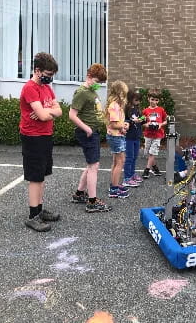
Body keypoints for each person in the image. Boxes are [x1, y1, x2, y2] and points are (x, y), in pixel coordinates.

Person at [19, 52, 62, 232]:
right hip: (32, 137)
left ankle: (40, 209)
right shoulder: (30, 88)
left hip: (45, 135)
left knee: (42, 175)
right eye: (48, 75)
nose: (49, 79)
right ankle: (33, 216)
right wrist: (48, 110)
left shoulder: (47, 89)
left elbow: (59, 111)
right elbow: (45, 115)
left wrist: (47, 110)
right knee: (35, 178)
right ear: (37, 71)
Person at [69, 63, 112, 212]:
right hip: (88, 133)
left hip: (93, 132)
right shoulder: (82, 92)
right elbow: (72, 115)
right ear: (88, 77)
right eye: (97, 81)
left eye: (100, 83)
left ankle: (79, 193)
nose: (98, 85)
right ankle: (92, 202)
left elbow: (96, 112)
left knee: (91, 165)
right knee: (94, 167)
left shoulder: (91, 91)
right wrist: (86, 128)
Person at [105, 80, 130, 198]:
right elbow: (113, 124)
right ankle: (114, 189)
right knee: (120, 162)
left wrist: (122, 126)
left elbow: (116, 124)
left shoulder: (115, 105)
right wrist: (124, 125)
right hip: (116, 137)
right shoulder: (114, 106)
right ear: (120, 93)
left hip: (116, 136)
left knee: (116, 162)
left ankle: (114, 184)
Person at [142, 89, 167, 179]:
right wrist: (146, 124)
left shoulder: (161, 110)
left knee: (153, 152)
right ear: (148, 99)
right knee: (148, 153)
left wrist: (160, 124)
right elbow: (142, 122)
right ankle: (155, 168)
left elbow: (165, 120)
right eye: (152, 99)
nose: (154, 101)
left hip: (157, 135)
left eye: (156, 100)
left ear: (158, 100)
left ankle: (147, 170)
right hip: (148, 134)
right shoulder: (145, 111)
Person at [123, 89, 144, 187]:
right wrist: (132, 121)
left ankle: (132, 174)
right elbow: (125, 121)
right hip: (129, 137)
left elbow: (140, 119)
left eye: (139, 100)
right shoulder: (126, 109)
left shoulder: (137, 108)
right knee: (129, 158)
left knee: (134, 157)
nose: (138, 102)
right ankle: (127, 178)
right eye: (136, 100)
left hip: (136, 136)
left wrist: (143, 120)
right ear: (130, 99)